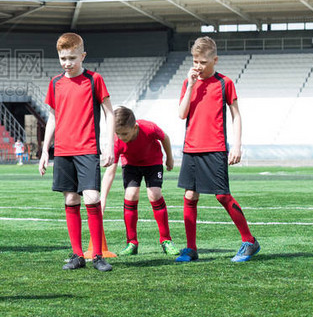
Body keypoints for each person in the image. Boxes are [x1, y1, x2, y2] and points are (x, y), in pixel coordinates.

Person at [175, 36, 260, 263]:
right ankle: (191, 249)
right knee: (190, 195)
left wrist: (237, 145)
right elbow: (182, 114)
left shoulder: (225, 83)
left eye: (203, 62)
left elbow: (236, 115)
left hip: (216, 147)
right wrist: (191, 85)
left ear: (215, 60)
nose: (198, 67)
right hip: (191, 148)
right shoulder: (188, 83)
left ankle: (249, 241)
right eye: (195, 61)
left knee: (222, 195)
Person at [39, 32, 115, 272]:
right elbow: (52, 116)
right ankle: (77, 254)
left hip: (88, 149)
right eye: (63, 58)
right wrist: (44, 151)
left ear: (82, 56)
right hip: (63, 152)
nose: (67, 63)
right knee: (71, 199)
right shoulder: (55, 83)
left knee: (92, 198)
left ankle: (97, 255)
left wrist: (109, 145)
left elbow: (109, 113)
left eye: (72, 58)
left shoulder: (95, 80)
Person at [99, 106, 179, 257]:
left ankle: (166, 240)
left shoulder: (149, 128)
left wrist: (169, 157)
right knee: (130, 194)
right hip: (131, 164)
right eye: (117, 133)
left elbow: (165, 138)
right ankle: (132, 243)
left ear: (134, 127)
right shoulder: (117, 141)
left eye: (124, 134)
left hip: (153, 161)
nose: (121, 137)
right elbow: (110, 172)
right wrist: (102, 199)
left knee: (154, 195)